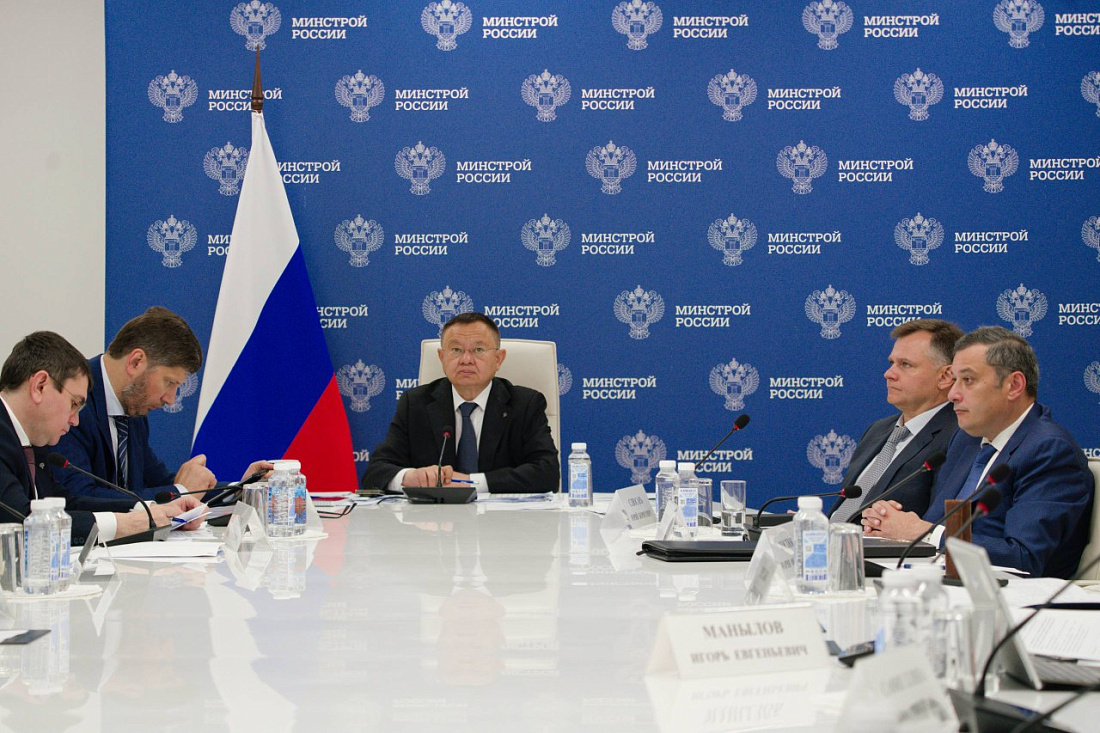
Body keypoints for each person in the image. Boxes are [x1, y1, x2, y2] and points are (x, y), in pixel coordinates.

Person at [862, 326, 1094, 578]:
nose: (953, 394)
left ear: (1014, 385)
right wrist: (892, 524)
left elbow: (1024, 557)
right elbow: (937, 523)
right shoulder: (966, 440)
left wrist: (923, 533)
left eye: (968, 380)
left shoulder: (1049, 451)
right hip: (942, 581)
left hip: (1007, 594)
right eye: (954, 380)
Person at [0, 331, 205, 543]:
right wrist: (126, 524)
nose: (75, 420)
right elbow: (21, 521)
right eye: (74, 404)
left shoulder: (32, 443)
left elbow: (69, 503)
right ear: (40, 386)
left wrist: (146, 508)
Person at [54, 307, 268, 502]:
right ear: (136, 362)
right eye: (169, 383)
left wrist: (242, 488)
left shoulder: (133, 408)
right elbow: (80, 496)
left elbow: (159, 484)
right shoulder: (71, 403)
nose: (171, 399)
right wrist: (181, 491)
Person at [362, 312, 559, 494]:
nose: (466, 359)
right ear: (441, 357)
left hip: (502, 519)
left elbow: (547, 473)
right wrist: (409, 477)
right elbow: (375, 473)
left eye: (478, 350)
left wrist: (470, 482)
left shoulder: (525, 404)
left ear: (498, 359)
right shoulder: (415, 404)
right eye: (456, 350)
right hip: (434, 519)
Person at [830, 319, 963, 522]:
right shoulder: (878, 430)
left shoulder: (958, 435)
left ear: (946, 376)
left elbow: (943, 522)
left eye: (905, 365)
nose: (889, 374)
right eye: (891, 363)